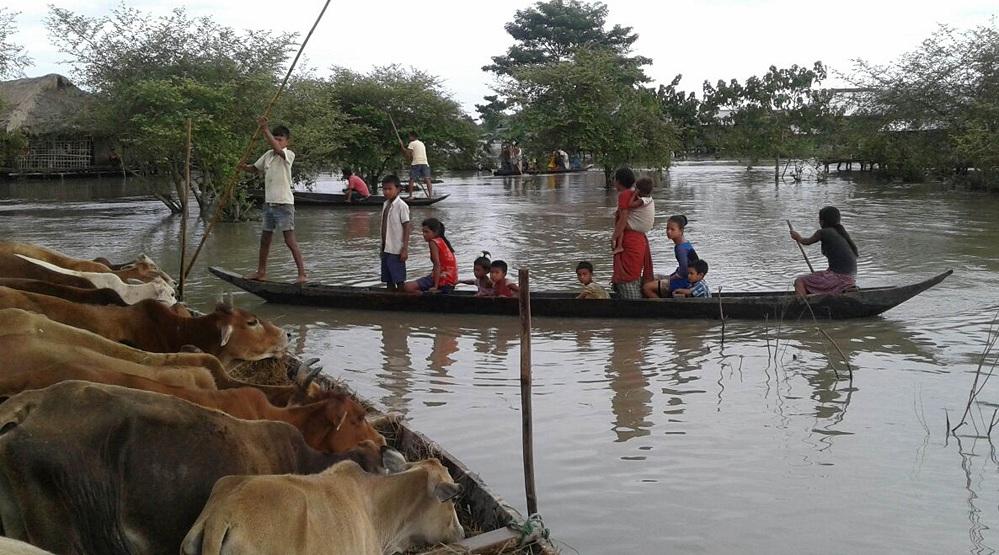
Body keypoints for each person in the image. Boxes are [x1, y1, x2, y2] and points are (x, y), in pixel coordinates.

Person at [237, 116, 307, 283]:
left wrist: (264, 129)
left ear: (286, 141)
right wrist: (242, 167)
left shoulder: (288, 154)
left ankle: (302, 274)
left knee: (289, 240)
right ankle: (261, 272)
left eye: (280, 139)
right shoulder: (268, 155)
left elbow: (277, 149)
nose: (276, 141)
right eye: (275, 138)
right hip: (269, 204)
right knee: (265, 239)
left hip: (284, 204)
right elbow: (255, 169)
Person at [790, 206, 858, 296]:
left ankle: (803, 307)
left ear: (822, 221)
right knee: (816, 276)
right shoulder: (842, 233)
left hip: (838, 278)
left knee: (799, 281)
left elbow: (806, 242)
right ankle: (844, 289)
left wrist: (797, 237)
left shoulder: (823, 232)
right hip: (850, 278)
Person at [610, 168, 654, 299]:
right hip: (639, 240)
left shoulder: (625, 195)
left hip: (631, 240)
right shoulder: (640, 195)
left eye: (614, 180)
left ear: (618, 181)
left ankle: (633, 303)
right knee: (634, 273)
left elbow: (623, 219)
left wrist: (614, 238)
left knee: (627, 275)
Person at [643, 215, 699, 299]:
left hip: (685, 281)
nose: (668, 232)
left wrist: (671, 278)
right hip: (687, 279)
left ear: (681, 231)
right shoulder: (684, 243)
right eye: (667, 229)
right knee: (650, 278)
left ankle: (661, 307)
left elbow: (684, 271)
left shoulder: (681, 248)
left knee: (646, 287)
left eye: (672, 229)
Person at [404, 218, 458, 294]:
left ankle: (426, 296)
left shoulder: (433, 242)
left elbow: (437, 265)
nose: (424, 234)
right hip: (450, 280)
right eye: (423, 232)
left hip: (444, 279)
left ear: (435, 232)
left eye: (426, 232)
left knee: (407, 287)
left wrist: (435, 286)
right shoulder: (442, 241)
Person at [380, 175, 411, 291]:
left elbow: (407, 227)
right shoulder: (385, 204)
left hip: (396, 249)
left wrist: (405, 249)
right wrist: (381, 247)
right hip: (386, 248)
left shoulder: (401, 206)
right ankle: (390, 301)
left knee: (399, 279)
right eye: (384, 189)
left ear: (398, 189)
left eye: (389, 189)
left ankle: (402, 302)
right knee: (388, 279)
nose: (386, 192)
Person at [612, 176, 654, 255]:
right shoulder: (649, 199)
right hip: (644, 229)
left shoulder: (637, 198)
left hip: (635, 234)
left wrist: (614, 237)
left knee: (621, 223)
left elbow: (629, 206)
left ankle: (619, 246)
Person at [402, 131, 433, 198]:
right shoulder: (421, 143)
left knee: (412, 179)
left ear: (413, 136)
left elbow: (408, 154)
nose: (409, 138)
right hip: (425, 163)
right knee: (427, 179)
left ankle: (410, 196)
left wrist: (402, 147)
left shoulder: (412, 143)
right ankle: (430, 196)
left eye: (409, 136)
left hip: (416, 163)